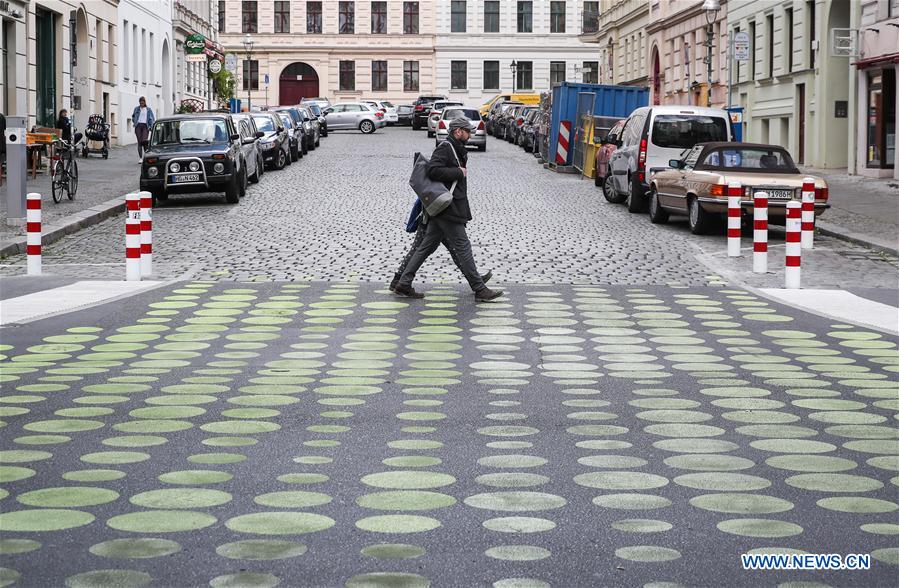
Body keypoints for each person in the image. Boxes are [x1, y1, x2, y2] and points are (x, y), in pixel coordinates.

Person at [394, 117, 502, 301]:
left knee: (426, 246)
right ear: (458, 131)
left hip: (446, 207)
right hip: (448, 208)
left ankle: (403, 283)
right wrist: (458, 172)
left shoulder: (456, 148)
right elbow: (433, 170)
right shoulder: (446, 147)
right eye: (468, 132)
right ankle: (479, 289)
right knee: (463, 247)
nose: (470, 135)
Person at [389, 158, 493, 292]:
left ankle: (474, 278)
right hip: (433, 214)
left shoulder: (441, 160)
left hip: (438, 213)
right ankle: (399, 279)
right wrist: (457, 172)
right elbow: (434, 178)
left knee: (452, 249)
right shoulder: (442, 157)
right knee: (420, 248)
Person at [132, 97, 155, 162]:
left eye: (142, 102)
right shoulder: (136, 109)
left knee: (144, 141)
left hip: (145, 126)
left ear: (145, 102)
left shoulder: (148, 109)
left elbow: (152, 118)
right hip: (138, 126)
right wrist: (135, 122)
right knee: (139, 142)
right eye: (140, 102)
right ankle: (140, 158)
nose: (141, 103)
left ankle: (146, 156)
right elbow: (133, 116)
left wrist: (151, 126)